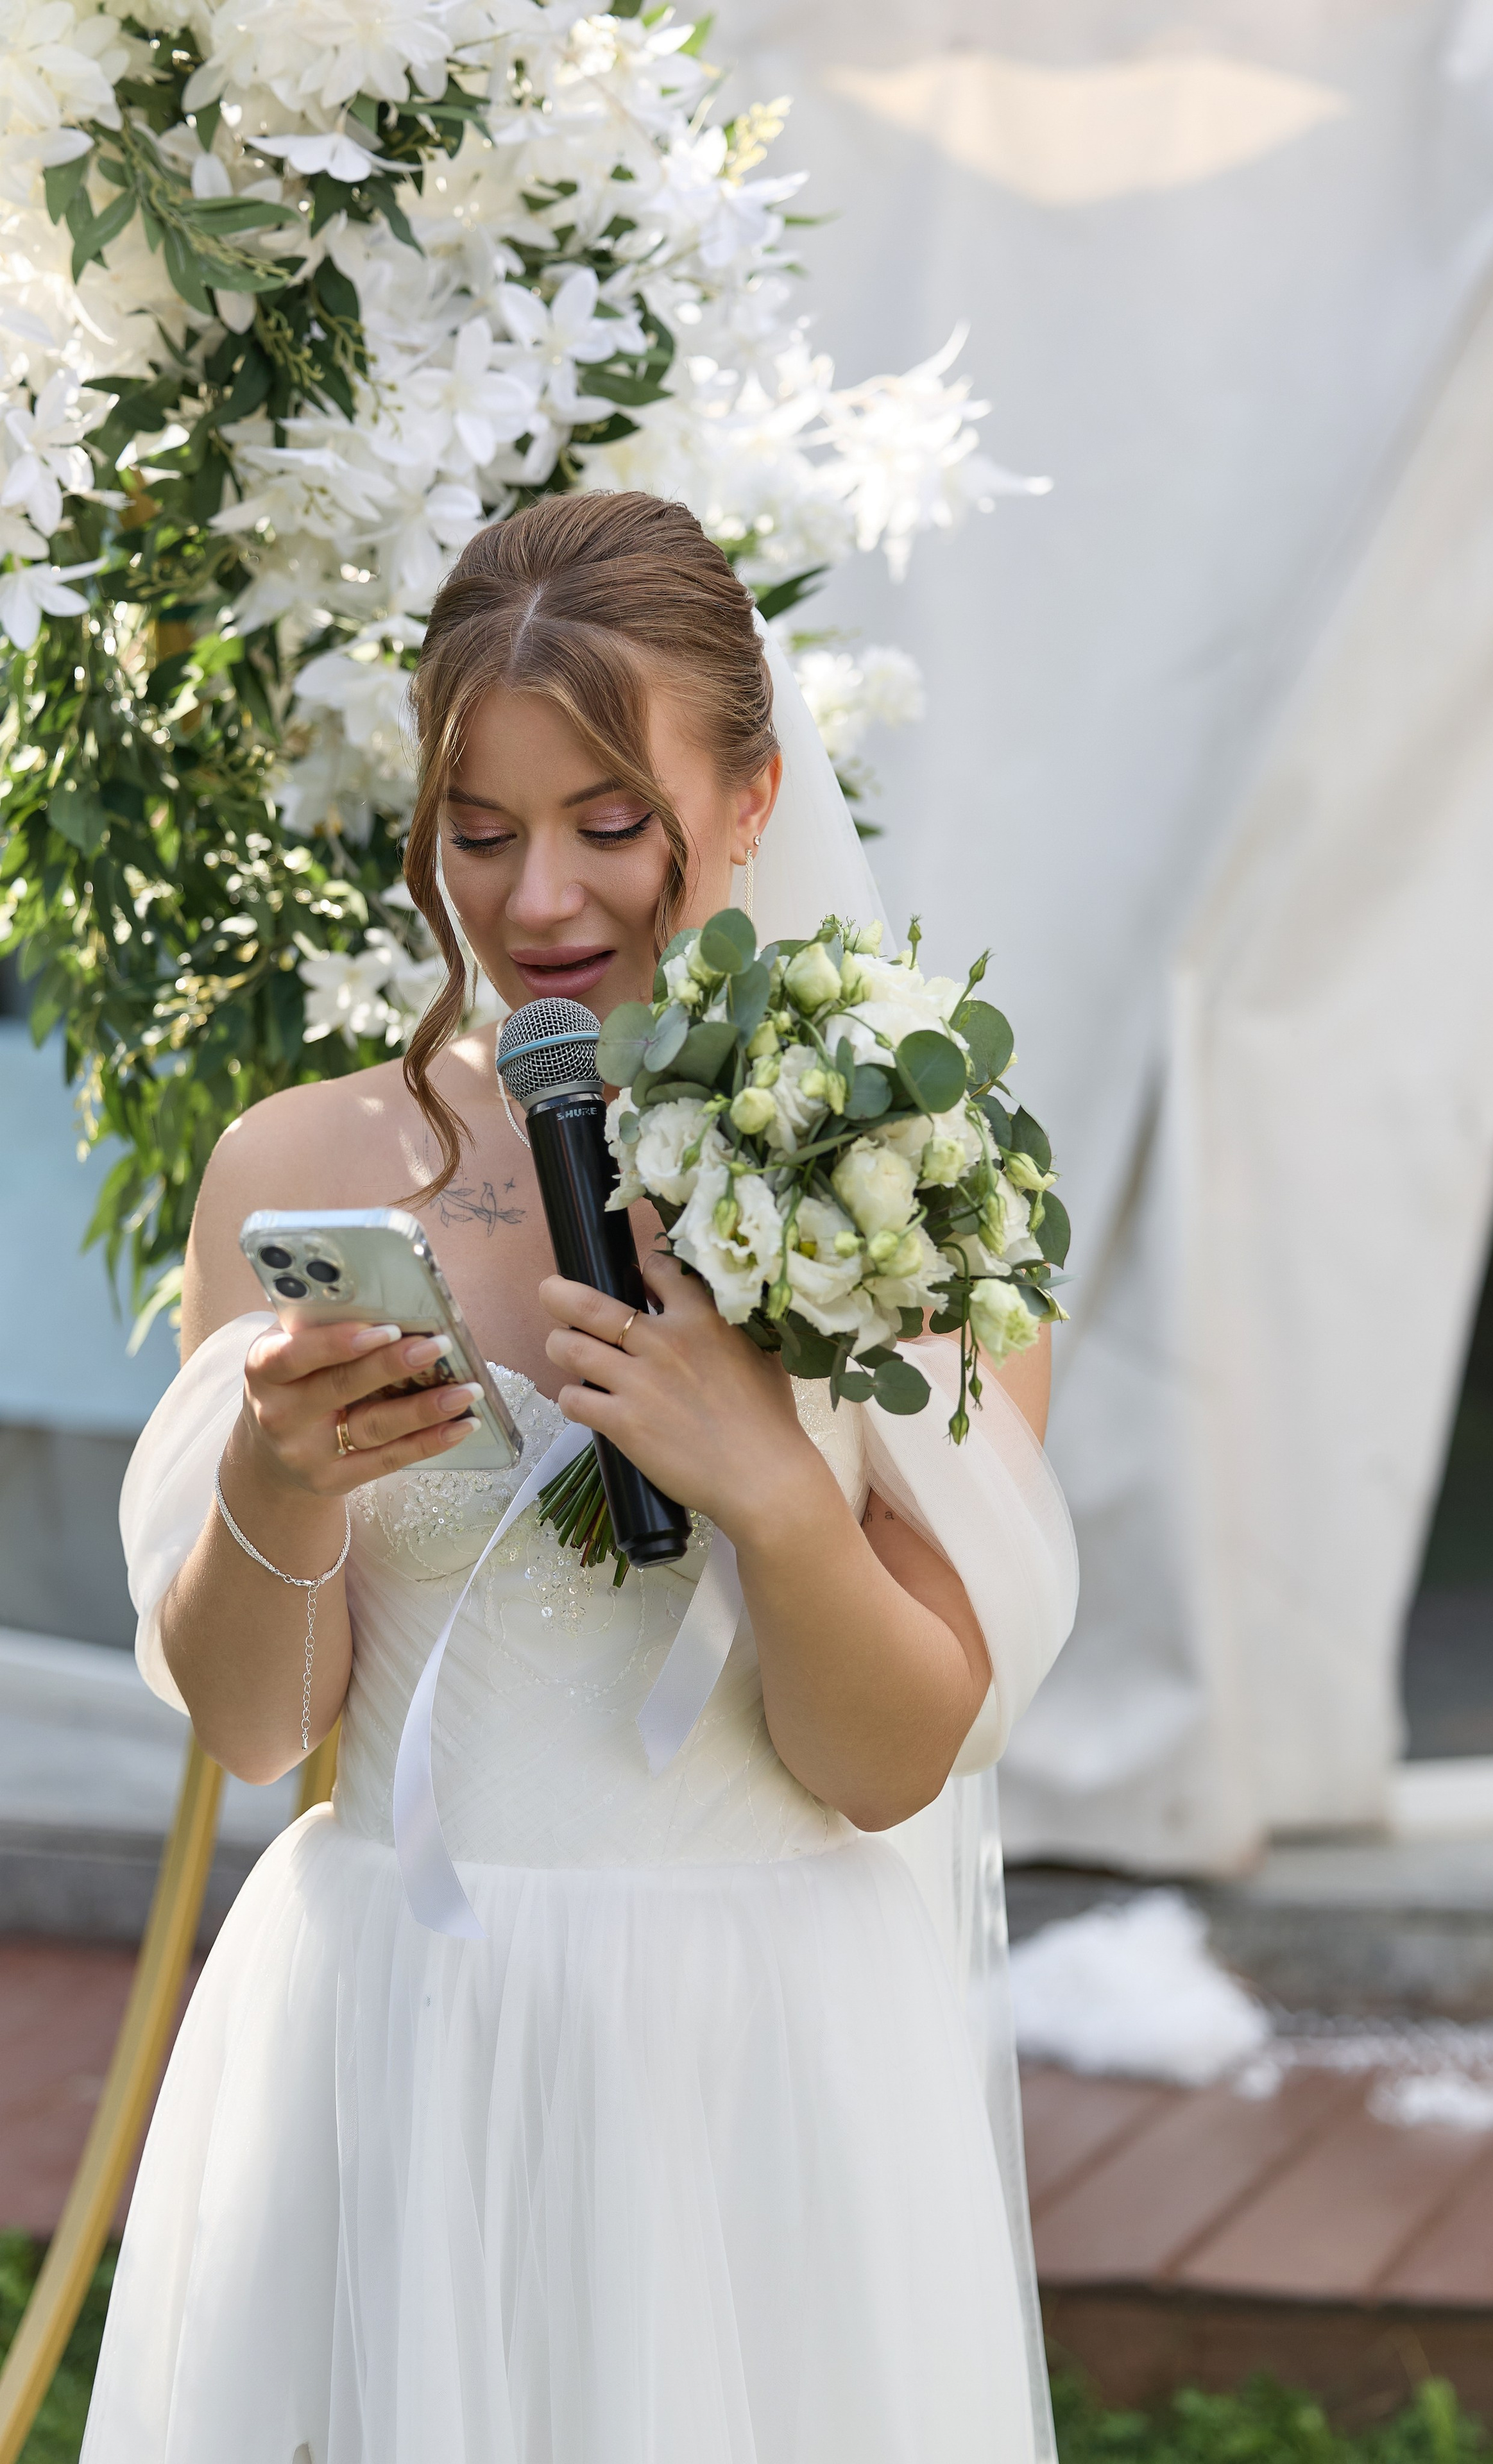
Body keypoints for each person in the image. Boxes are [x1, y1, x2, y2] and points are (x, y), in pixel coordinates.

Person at [83, 491, 1079, 2464]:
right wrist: (279, 1486)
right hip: (390, 2033)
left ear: (749, 799)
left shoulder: (912, 1188)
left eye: (608, 823)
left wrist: (774, 1491)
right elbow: (260, 1727)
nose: (539, 897)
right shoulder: (295, 1169)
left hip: (755, 2071)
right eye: (479, 831)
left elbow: (888, 1762)